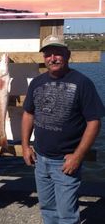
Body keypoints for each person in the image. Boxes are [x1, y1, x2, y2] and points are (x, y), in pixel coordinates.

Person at [21, 34, 105, 224]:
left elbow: (94, 122)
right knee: (47, 208)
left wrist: (78, 156)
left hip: (65, 162)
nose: (53, 58)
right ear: (44, 58)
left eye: (58, 53)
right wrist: (26, 146)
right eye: (48, 54)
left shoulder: (83, 83)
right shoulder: (37, 82)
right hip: (40, 159)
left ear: (67, 55)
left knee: (67, 214)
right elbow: (28, 114)